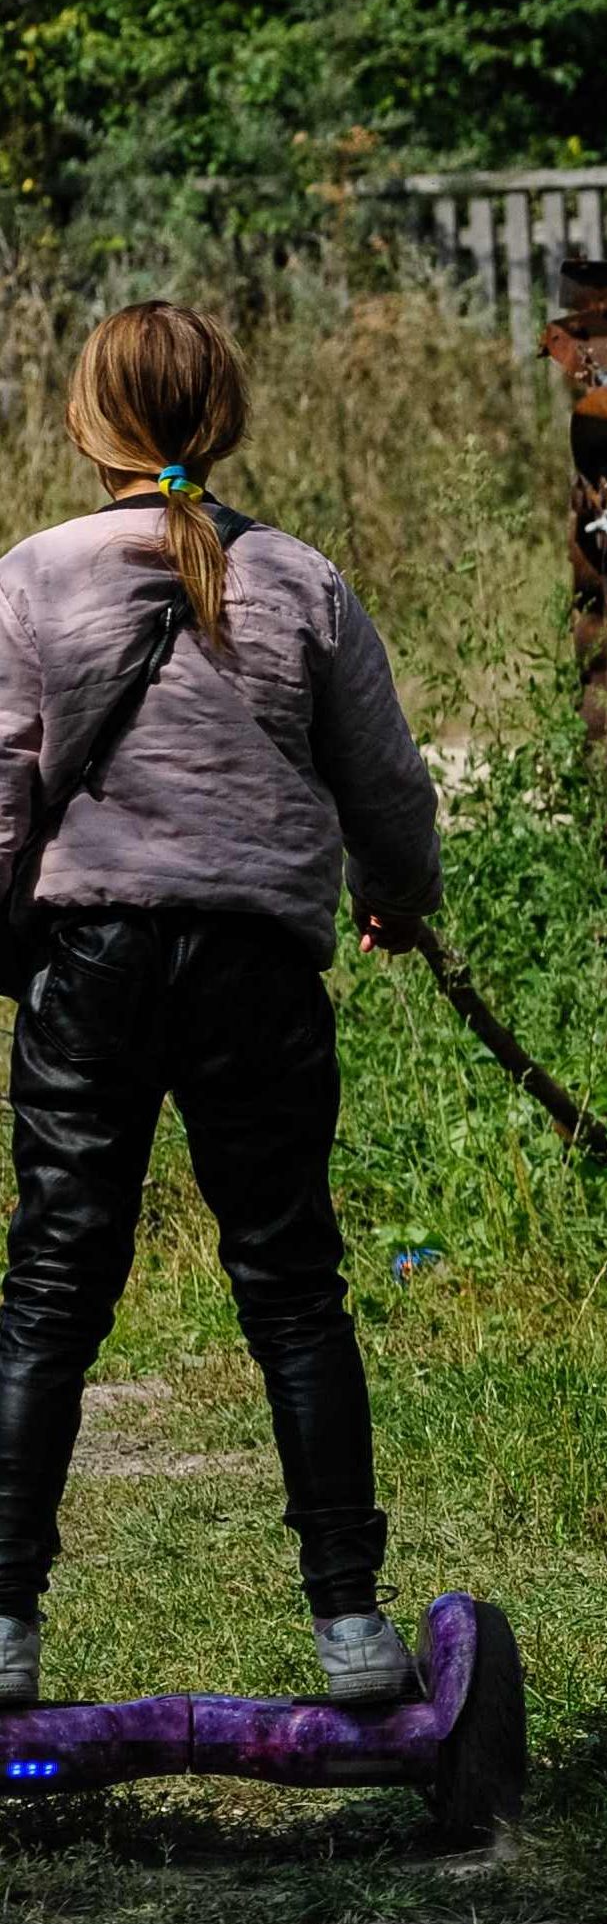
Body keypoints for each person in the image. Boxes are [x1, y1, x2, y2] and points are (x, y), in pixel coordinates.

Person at [0, 301, 441, 1707]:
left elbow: (3, 796)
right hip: (256, 967)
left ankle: (5, 1630)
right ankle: (352, 1630)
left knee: (52, 1293)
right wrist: (398, 895)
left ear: (88, 422)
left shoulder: (33, 579)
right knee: (294, 1287)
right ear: (226, 417)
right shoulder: (302, 582)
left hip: (96, 966)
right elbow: (384, 784)